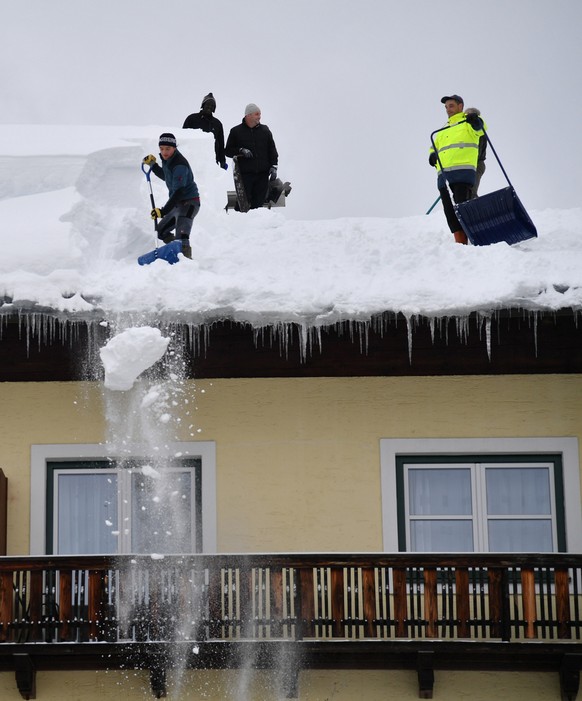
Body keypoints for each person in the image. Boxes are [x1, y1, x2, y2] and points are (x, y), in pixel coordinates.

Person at [429, 94, 483, 244]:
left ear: (460, 106)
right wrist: (432, 155)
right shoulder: (443, 130)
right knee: (449, 209)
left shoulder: (467, 123)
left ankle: (471, 235)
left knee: (461, 204)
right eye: (446, 107)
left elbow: (481, 129)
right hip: (444, 175)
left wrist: (475, 121)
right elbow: (434, 146)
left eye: (451, 106)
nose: (448, 109)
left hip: (462, 171)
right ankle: (459, 240)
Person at [142, 133, 200, 259]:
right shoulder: (168, 161)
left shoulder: (179, 164)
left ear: (174, 147)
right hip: (178, 204)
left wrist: (163, 211)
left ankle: (186, 264)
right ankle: (176, 253)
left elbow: (179, 192)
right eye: (161, 148)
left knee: (182, 236)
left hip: (190, 203)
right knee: (161, 231)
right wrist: (154, 165)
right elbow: (167, 177)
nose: (164, 152)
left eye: (167, 148)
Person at [225, 103, 279, 210]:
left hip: (263, 174)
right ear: (248, 115)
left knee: (258, 205)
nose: (259, 117)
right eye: (257, 114)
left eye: (260, 114)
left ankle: (256, 225)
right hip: (245, 175)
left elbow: (272, 149)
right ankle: (239, 223)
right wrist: (240, 150)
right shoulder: (236, 131)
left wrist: (274, 166)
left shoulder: (265, 130)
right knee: (242, 203)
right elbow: (227, 151)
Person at [182, 92, 228, 170]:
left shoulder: (217, 124)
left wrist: (222, 161)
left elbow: (220, 143)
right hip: (193, 160)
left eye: (212, 106)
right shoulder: (192, 119)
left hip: (212, 161)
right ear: (203, 105)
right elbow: (183, 139)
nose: (209, 107)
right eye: (208, 104)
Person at [465, 107, 487, 198]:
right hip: (467, 164)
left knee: (471, 192)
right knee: (463, 193)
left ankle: (476, 210)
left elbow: (477, 150)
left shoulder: (478, 131)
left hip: (477, 164)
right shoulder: (466, 132)